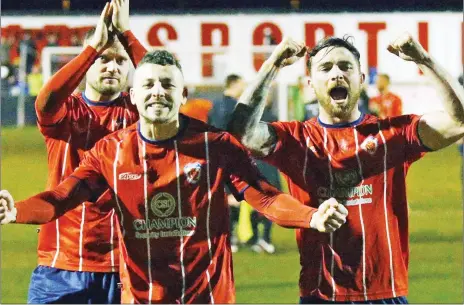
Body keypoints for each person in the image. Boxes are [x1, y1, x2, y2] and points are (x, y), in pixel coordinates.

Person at [0, 49, 349, 304]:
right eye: (149, 84)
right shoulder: (111, 152)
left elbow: (266, 197)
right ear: (133, 96)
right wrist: (17, 211)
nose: (158, 92)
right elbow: (62, 198)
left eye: (168, 85)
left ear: (183, 95)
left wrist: (311, 216)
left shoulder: (217, 146)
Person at [227, 34, 464, 303]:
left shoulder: (393, 135)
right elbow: (240, 133)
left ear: (361, 80)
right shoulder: (295, 140)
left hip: (385, 294)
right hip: (321, 295)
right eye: (325, 69)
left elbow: (459, 120)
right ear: (310, 85)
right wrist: (273, 64)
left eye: (345, 66)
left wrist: (424, 59)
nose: (337, 74)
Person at [26, 1, 147, 303]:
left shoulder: (139, 112)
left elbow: (174, 91)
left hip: (125, 264)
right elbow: (45, 100)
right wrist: (93, 47)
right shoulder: (66, 112)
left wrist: (128, 35)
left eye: (121, 61)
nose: (112, 67)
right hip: (62, 262)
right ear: (88, 62)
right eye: (104, 59)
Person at [208, 73, 247, 252]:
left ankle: (223, 237)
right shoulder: (235, 107)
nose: (244, 87)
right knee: (233, 198)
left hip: (214, 158)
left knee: (221, 199)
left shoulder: (214, 106)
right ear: (234, 84)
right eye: (242, 84)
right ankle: (230, 238)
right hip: (231, 158)